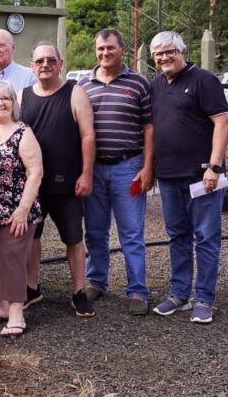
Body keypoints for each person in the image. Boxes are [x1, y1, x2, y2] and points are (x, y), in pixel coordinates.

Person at [149, 31, 228, 324]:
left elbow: (222, 122)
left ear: (182, 51)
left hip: (202, 176)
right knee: (177, 235)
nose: (164, 57)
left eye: (169, 51)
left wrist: (214, 166)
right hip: (169, 176)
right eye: (158, 53)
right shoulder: (155, 85)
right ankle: (179, 294)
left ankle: (204, 298)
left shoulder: (203, 80)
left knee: (206, 237)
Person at [79, 29, 154, 315]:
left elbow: (149, 127)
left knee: (131, 233)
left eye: (110, 48)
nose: (104, 53)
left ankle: (137, 290)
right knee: (95, 231)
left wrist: (148, 167)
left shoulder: (138, 83)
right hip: (94, 168)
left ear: (122, 49)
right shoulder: (84, 84)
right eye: (100, 49)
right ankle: (96, 281)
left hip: (128, 167)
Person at [20, 42, 97, 318]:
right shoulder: (21, 97)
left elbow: (88, 135)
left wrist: (86, 173)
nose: (45, 65)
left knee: (74, 238)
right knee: (31, 237)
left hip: (67, 183)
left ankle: (78, 291)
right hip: (32, 185)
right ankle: (31, 287)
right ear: (32, 65)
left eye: (50, 60)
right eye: (39, 60)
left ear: (60, 64)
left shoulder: (75, 94)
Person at [0, 82, 44, 337]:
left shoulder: (22, 132)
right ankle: (2, 307)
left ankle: (17, 314)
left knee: (12, 258)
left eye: (6, 98)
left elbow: (36, 171)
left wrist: (23, 209)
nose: (0, 103)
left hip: (16, 209)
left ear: (14, 103)